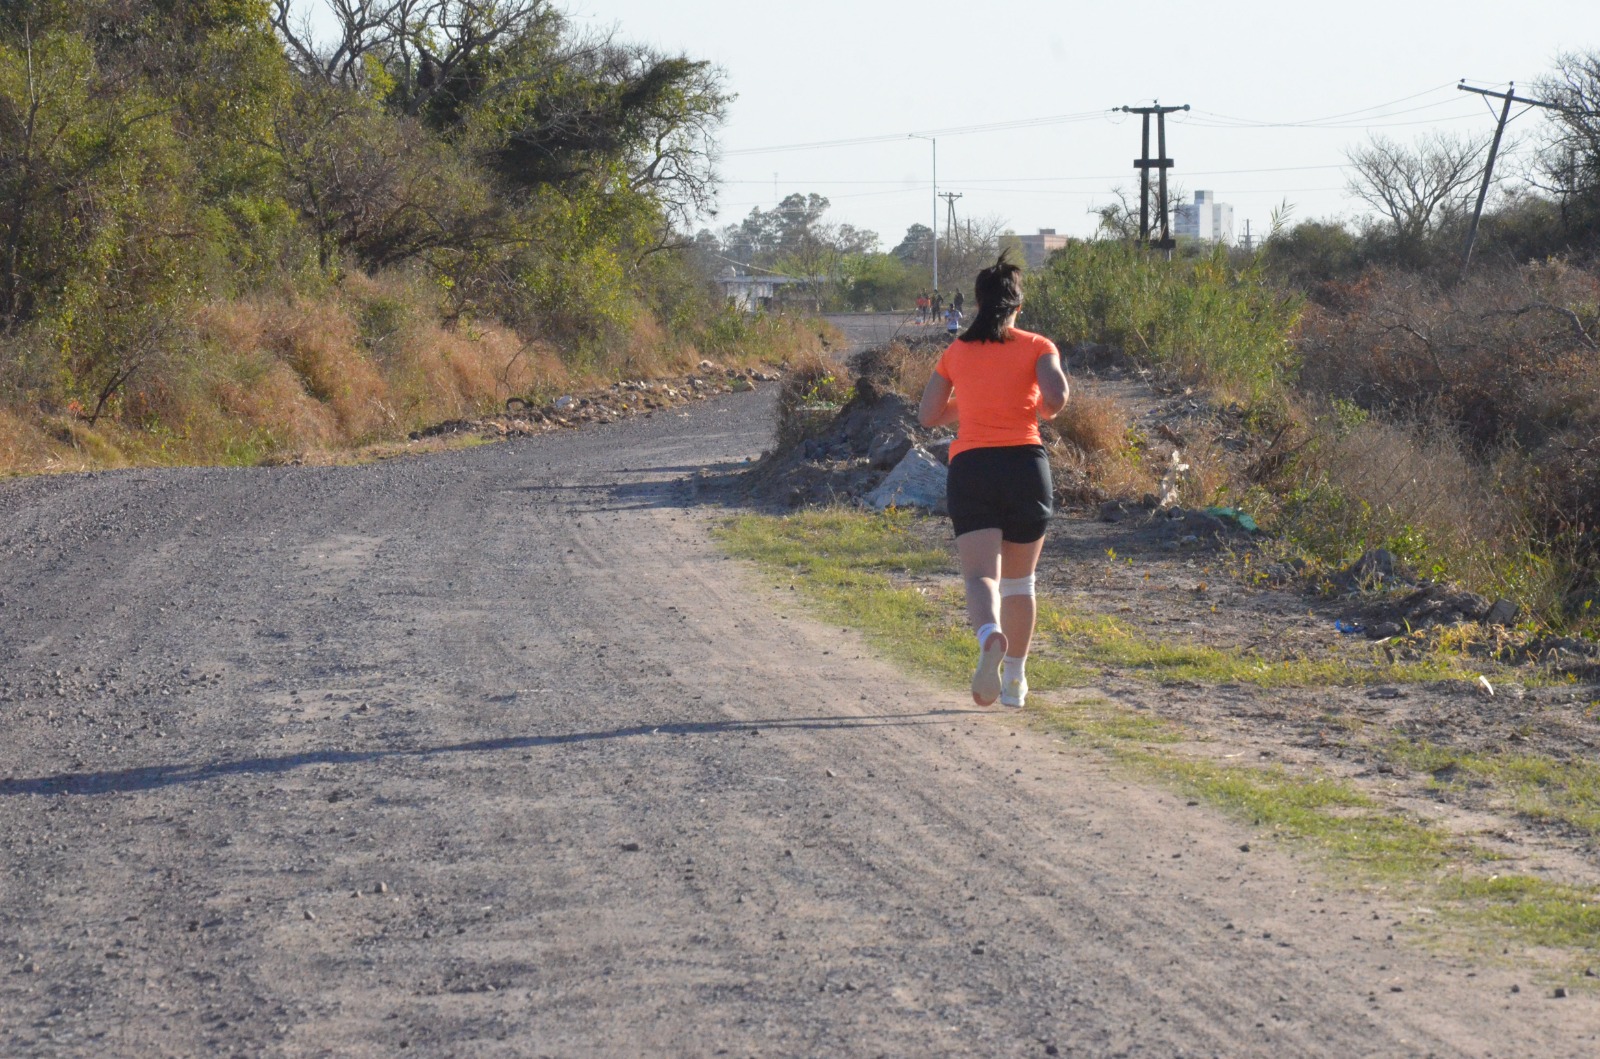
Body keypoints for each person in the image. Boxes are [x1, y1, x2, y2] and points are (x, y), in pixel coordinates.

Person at [918, 252, 1068, 708]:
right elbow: (1055, 401)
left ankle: (989, 636)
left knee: (981, 576)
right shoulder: (1038, 345)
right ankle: (1015, 681)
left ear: (978, 305)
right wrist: (1033, 400)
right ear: (1017, 307)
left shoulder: (955, 351)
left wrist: (973, 402)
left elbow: (927, 417)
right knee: (1020, 584)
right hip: (1025, 467)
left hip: (974, 469)